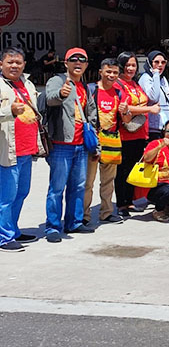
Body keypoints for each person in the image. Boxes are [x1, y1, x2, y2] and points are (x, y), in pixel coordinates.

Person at [44, 47, 98, 243]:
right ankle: (53, 226)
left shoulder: (84, 86)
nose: (78, 63)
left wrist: (94, 141)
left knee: (78, 185)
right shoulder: (57, 81)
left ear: (86, 65)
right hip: (62, 144)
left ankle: (74, 222)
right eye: (73, 60)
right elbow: (50, 98)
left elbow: (91, 113)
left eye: (82, 60)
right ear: (65, 63)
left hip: (81, 145)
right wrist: (60, 93)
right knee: (57, 188)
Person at [0, 47, 43, 251]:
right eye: (10, 62)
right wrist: (9, 110)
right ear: (1, 64)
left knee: (21, 192)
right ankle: (3, 237)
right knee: (6, 196)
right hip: (7, 150)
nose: (14, 65)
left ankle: (13, 230)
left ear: (24, 64)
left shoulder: (27, 83)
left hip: (27, 149)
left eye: (18, 62)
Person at [83, 58, 126, 226]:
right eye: (108, 71)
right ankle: (84, 215)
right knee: (88, 181)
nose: (111, 75)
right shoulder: (91, 90)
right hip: (93, 141)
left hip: (112, 140)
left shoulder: (119, 92)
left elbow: (126, 119)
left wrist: (125, 111)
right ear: (100, 72)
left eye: (115, 72)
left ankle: (106, 212)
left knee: (108, 180)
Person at [115, 51, 158, 218]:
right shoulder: (118, 84)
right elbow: (123, 107)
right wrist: (149, 109)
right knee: (123, 170)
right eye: (127, 65)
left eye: (133, 65)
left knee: (134, 167)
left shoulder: (135, 84)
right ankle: (121, 204)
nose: (131, 68)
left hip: (140, 132)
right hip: (126, 134)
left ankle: (131, 200)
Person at [138, 50, 169, 141]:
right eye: (156, 62)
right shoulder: (146, 78)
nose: (160, 65)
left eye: (163, 62)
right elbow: (154, 97)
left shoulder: (163, 78)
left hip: (164, 124)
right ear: (150, 63)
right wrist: (156, 75)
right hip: (153, 126)